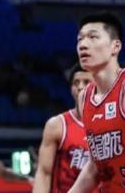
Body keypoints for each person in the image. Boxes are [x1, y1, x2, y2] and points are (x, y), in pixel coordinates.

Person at [69, 12, 125, 192]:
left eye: (93, 37)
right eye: (80, 39)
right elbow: (95, 166)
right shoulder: (84, 98)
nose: (83, 45)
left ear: (115, 46)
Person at [33, 65, 93, 193]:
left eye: (86, 82)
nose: (80, 87)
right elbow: (44, 173)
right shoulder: (57, 125)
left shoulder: (110, 124)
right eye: (76, 83)